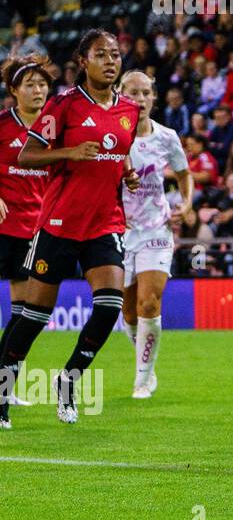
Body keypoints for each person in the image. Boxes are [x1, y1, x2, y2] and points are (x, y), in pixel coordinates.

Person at [0, 31, 140, 427]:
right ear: (83, 61)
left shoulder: (129, 109)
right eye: (101, 55)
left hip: (105, 223)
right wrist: (70, 152)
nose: (111, 61)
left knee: (110, 306)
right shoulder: (63, 105)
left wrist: (127, 174)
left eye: (115, 55)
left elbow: (120, 151)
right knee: (33, 317)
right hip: (59, 225)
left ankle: (69, 380)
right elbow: (29, 153)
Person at [118, 71, 194, 400]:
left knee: (149, 302)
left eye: (145, 93)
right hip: (119, 232)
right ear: (120, 95)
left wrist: (187, 202)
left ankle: (142, 381)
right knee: (127, 311)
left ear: (154, 97)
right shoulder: (112, 138)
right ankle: (145, 365)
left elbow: (183, 173)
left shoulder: (167, 137)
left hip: (157, 231)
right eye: (133, 93)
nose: (139, 99)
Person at [0, 56, 55, 426]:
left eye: (42, 85)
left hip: (36, 228)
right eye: (31, 85)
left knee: (23, 312)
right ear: (14, 92)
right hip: (4, 224)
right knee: (22, 313)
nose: (38, 91)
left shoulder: (55, 127)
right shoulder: (3, 125)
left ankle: (5, 387)